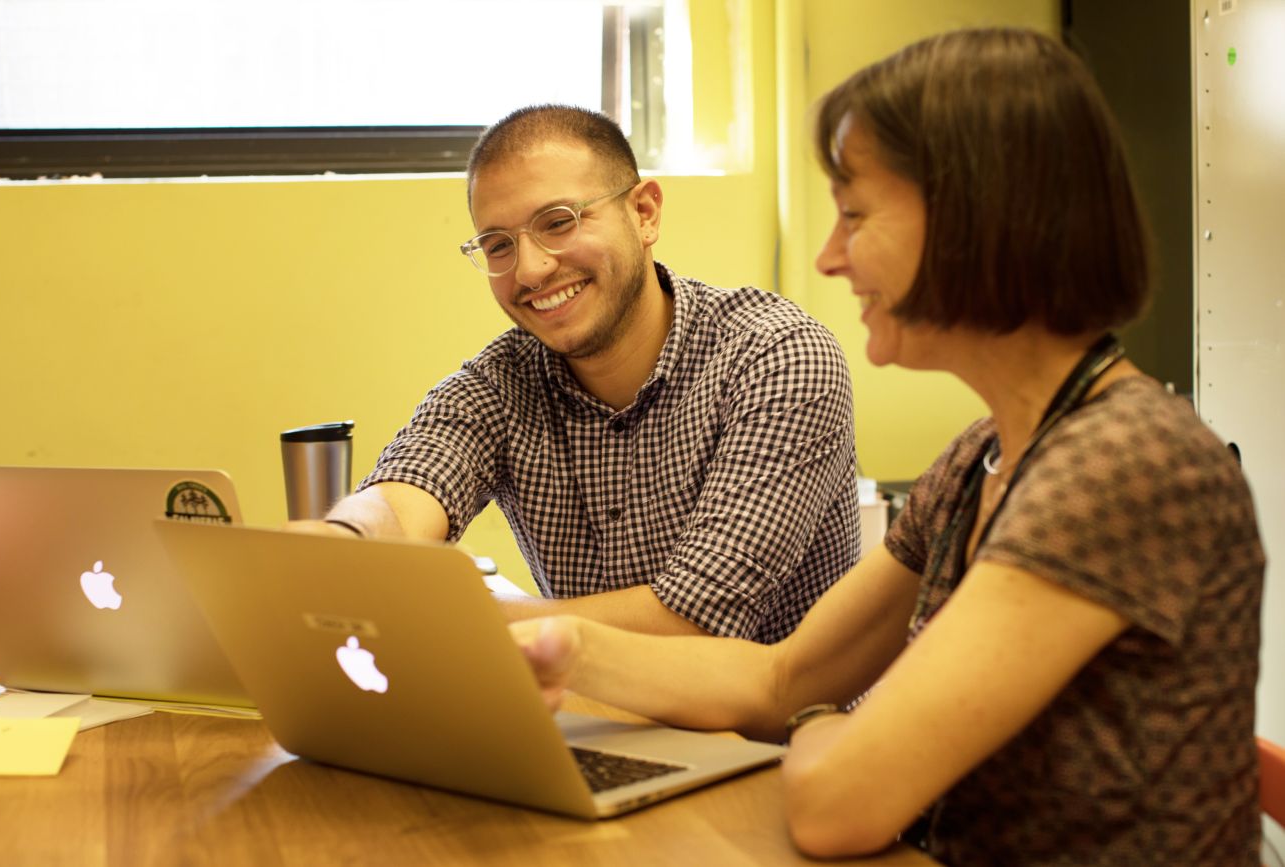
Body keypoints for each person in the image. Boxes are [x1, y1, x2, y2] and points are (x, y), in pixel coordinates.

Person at [509, 28, 1265, 865]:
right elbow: (782, 677)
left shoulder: (1122, 468)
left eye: (856, 215)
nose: (831, 256)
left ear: (984, 216)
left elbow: (840, 802)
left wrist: (831, 725)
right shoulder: (982, 455)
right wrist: (564, 648)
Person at [299, 105, 861, 643]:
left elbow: (698, 617)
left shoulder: (776, 357)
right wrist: (344, 537)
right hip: (595, 723)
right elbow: (409, 490)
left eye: (558, 222)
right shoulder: (499, 384)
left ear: (644, 213)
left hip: (790, 737)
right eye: (498, 245)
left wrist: (469, 618)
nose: (531, 267)